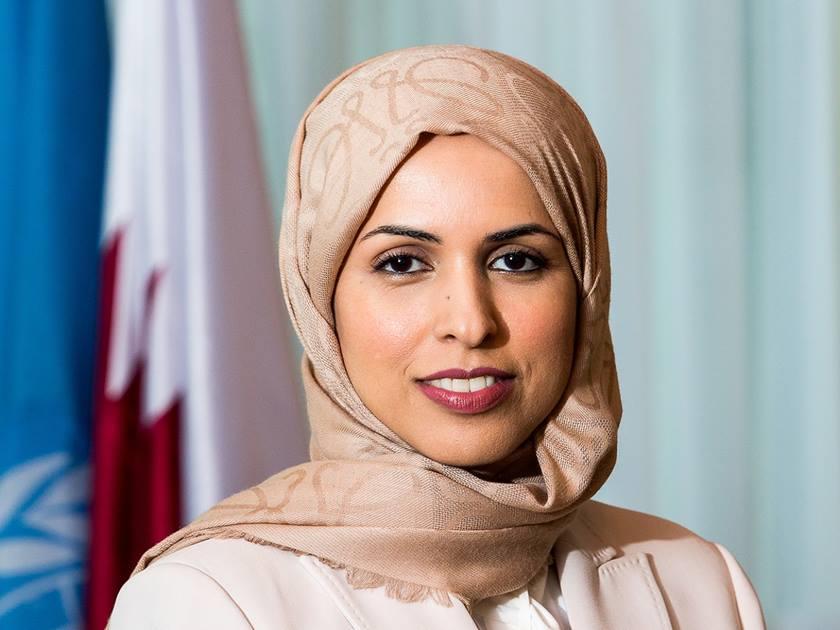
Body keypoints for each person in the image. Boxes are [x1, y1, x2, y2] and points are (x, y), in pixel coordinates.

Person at [107, 44, 765, 629]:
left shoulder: (699, 583)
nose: (470, 323)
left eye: (517, 261)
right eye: (402, 264)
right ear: (320, 298)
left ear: (586, 286)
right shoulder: (209, 602)